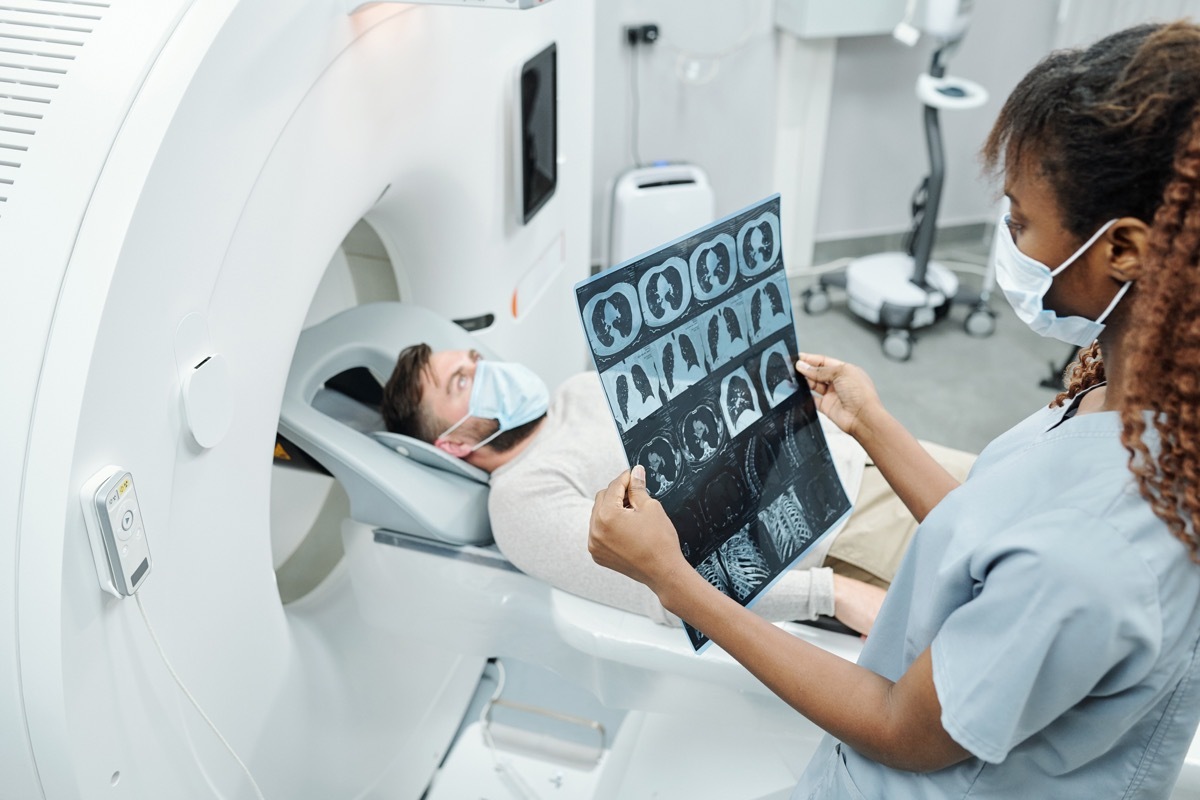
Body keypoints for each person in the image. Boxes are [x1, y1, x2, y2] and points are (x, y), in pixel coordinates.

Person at [587, 21, 1200, 797]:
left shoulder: (1098, 543)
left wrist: (671, 579)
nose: (1008, 242)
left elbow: (898, 727)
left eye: (1018, 223)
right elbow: (996, 544)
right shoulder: (1141, 406)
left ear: (1125, 251)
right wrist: (871, 423)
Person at [381, 345, 975, 635]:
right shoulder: (521, 500)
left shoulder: (578, 388)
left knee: (1024, 486)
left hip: (853, 449)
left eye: (477, 361)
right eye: (463, 381)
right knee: (1013, 572)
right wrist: (831, 593)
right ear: (454, 444)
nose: (487, 373)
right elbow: (662, 589)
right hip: (835, 530)